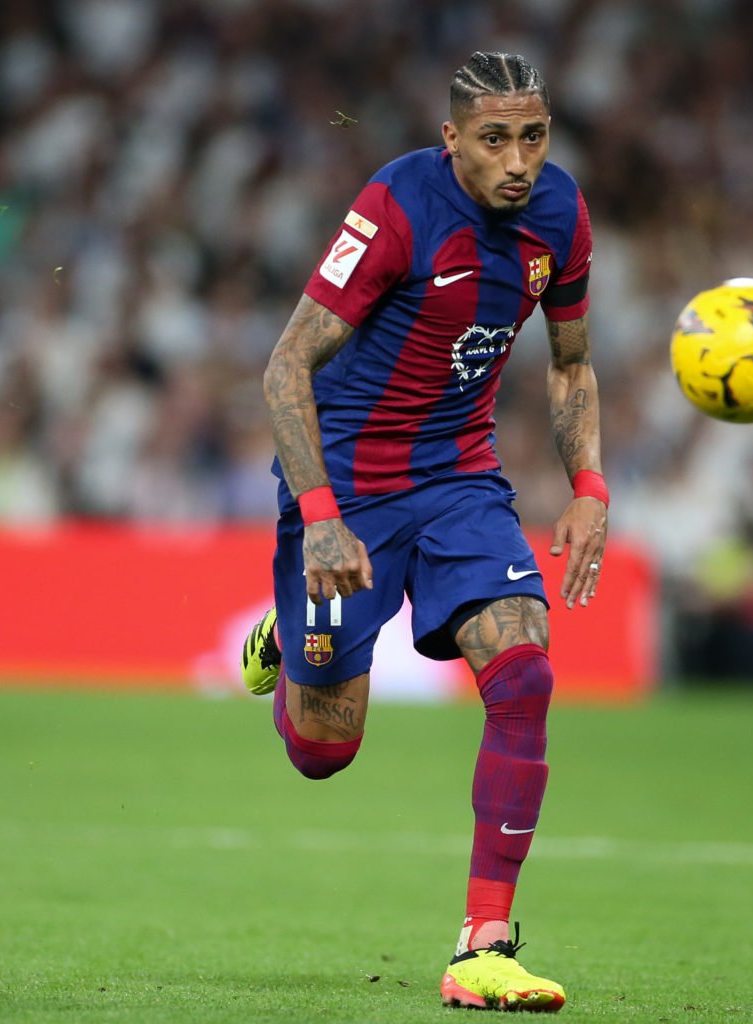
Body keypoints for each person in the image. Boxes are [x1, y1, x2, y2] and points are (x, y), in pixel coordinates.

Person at [238, 51, 606, 1013]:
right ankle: (291, 636)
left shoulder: (561, 217)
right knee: (325, 751)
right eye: (494, 139)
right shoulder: (398, 206)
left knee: (524, 670)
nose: (517, 160)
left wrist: (590, 484)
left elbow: (570, 366)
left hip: (457, 477)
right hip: (350, 486)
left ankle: (485, 945)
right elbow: (285, 369)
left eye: (533, 136)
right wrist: (318, 518)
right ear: (452, 141)